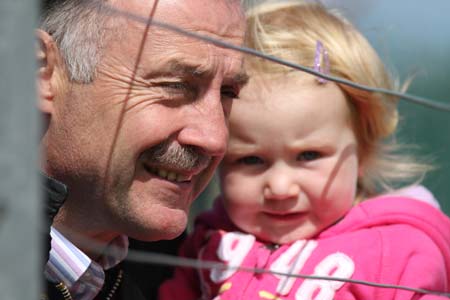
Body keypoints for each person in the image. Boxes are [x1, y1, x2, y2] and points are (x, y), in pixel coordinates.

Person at [158, 1, 450, 299]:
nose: (281, 188)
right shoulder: (209, 243)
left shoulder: (398, 250)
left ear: (363, 149)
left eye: (308, 155)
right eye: (251, 160)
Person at [37, 0, 248, 299]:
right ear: (42, 73)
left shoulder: (199, 273)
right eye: (176, 85)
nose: (215, 139)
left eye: (228, 93)